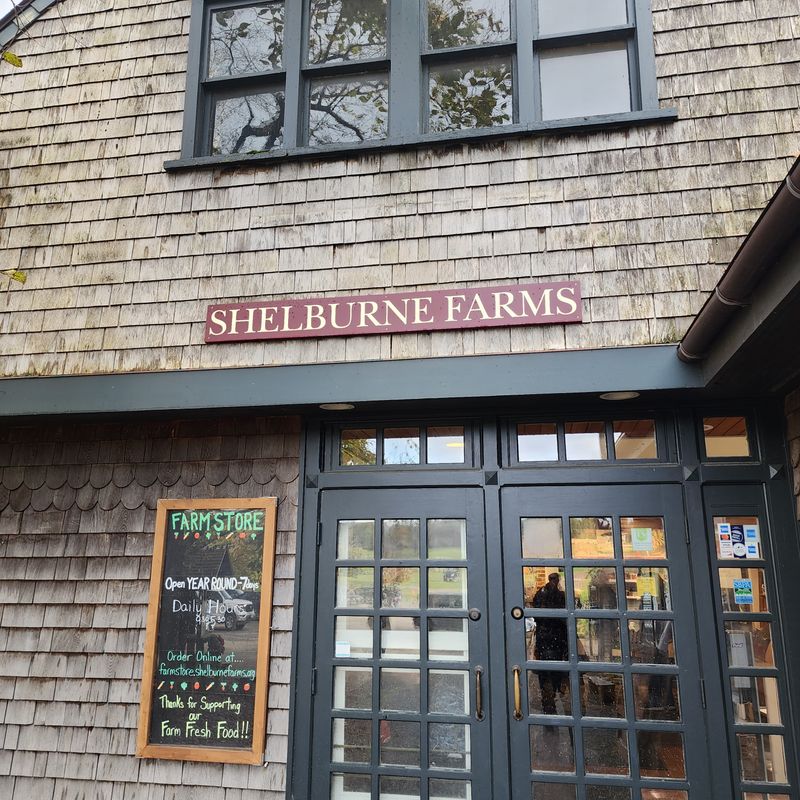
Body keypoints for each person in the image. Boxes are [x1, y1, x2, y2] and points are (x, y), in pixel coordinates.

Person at [532, 573, 568, 714]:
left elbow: (536, 615)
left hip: (548, 637)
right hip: (553, 637)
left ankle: (549, 701)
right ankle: (550, 700)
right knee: (551, 671)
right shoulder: (557, 595)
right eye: (555, 579)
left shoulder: (542, 594)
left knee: (548, 671)